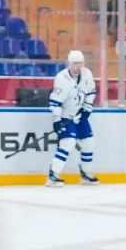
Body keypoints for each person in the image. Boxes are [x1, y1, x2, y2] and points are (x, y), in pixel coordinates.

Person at [46, 50, 98, 187]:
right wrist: (56, 120)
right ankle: (53, 175)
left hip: (79, 115)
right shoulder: (62, 78)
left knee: (89, 143)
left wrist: (87, 107)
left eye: (81, 63)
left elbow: (91, 92)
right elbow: (55, 102)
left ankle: (86, 174)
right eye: (75, 63)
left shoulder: (87, 74)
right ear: (70, 63)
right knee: (68, 142)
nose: (78, 66)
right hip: (65, 115)